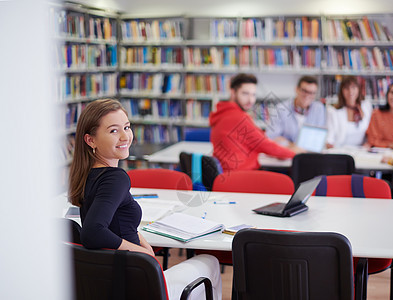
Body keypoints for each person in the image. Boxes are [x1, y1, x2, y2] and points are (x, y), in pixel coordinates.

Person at [68, 99, 222, 299]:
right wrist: (143, 254)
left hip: (116, 280)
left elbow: (115, 221)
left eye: (127, 127)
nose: (125, 136)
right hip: (136, 283)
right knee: (210, 261)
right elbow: (93, 232)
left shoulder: (89, 175)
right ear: (91, 140)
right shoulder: (116, 178)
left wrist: (142, 243)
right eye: (114, 131)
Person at [209, 73, 296, 171]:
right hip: (240, 176)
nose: (250, 100)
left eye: (253, 95)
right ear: (233, 92)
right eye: (245, 93)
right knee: (286, 180)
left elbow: (253, 137)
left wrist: (265, 138)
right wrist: (296, 154)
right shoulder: (238, 117)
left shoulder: (223, 113)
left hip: (229, 174)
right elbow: (265, 146)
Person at [266, 76, 326, 149]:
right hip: (286, 154)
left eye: (312, 93)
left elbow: (319, 137)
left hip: (310, 154)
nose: (307, 95)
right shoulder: (280, 109)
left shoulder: (319, 108)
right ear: (296, 89)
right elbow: (272, 137)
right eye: (304, 91)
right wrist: (293, 147)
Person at [326, 76, 373, 148]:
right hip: (341, 152)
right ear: (342, 91)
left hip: (362, 151)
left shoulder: (366, 107)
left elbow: (371, 133)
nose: (350, 91)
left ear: (358, 89)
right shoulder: (334, 112)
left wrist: (368, 144)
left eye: (353, 87)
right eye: (346, 88)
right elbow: (330, 138)